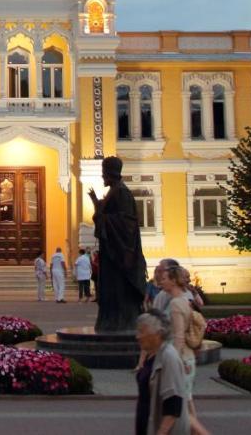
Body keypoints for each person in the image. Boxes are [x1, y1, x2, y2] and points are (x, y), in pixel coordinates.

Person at [87, 156, 148, 331]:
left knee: (118, 290)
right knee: (110, 290)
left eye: (104, 173)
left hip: (120, 254)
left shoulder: (121, 192)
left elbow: (126, 223)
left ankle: (120, 323)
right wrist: (97, 204)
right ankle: (110, 322)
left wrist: (101, 216)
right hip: (112, 251)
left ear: (110, 174)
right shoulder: (114, 191)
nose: (102, 177)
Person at [157, 265, 209, 435]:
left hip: (182, 359)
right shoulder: (184, 301)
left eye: (164, 278)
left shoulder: (176, 304)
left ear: (173, 281)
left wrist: (175, 361)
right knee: (186, 401)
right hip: (187, 357)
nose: (161, 281)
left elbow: (179, 336)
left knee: (181, 407)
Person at [134, 311, 190, 435]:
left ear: (158, 333)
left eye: (142, 331)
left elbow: (174, 404)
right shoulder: (152, 355)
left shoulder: (168, 357)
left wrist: (161, 432)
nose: (137, 336)